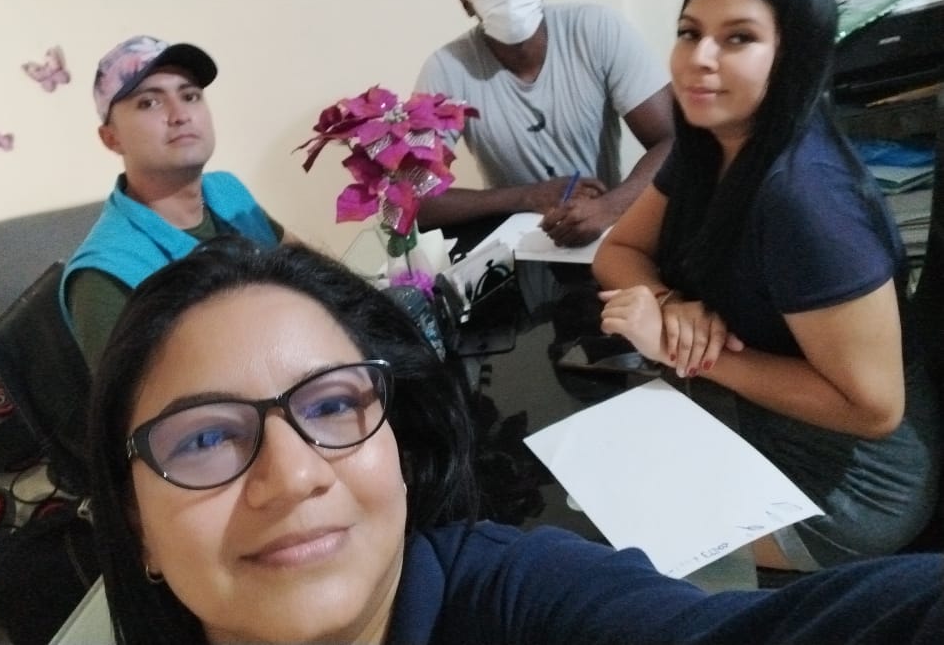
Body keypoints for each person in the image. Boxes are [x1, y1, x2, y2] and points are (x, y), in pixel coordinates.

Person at [87, 235, 944, 645]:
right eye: (206, 438)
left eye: (333, 404)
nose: (294, 475)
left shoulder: (519, 601)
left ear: (399, 447)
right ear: (136, 526)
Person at [593, 0, 941, 571]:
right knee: (590, 483)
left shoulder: (806, 202)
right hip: (758, 415)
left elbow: (875, 408)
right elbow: (620, 249)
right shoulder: (709, 143)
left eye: (738, 38)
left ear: (793, 55)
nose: (700, 57)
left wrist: (685, 349)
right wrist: (671, 305)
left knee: (610, 545)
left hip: (852, 486)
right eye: (689, 32)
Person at [414, 0, 674, 247]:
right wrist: (527, 196)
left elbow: (673, 141)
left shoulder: (596, 30)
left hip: (607, 232)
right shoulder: (446, 68)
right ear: (467, 3)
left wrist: (609, 207)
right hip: (519, 244)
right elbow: (414, 199)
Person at [59, 35, 298, 370]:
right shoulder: (104, 276)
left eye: (190, 96)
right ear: (111, 138)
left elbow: (310, 270)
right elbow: (141, 401)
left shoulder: (227, 191)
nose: (180, 114)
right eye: (149, 103)